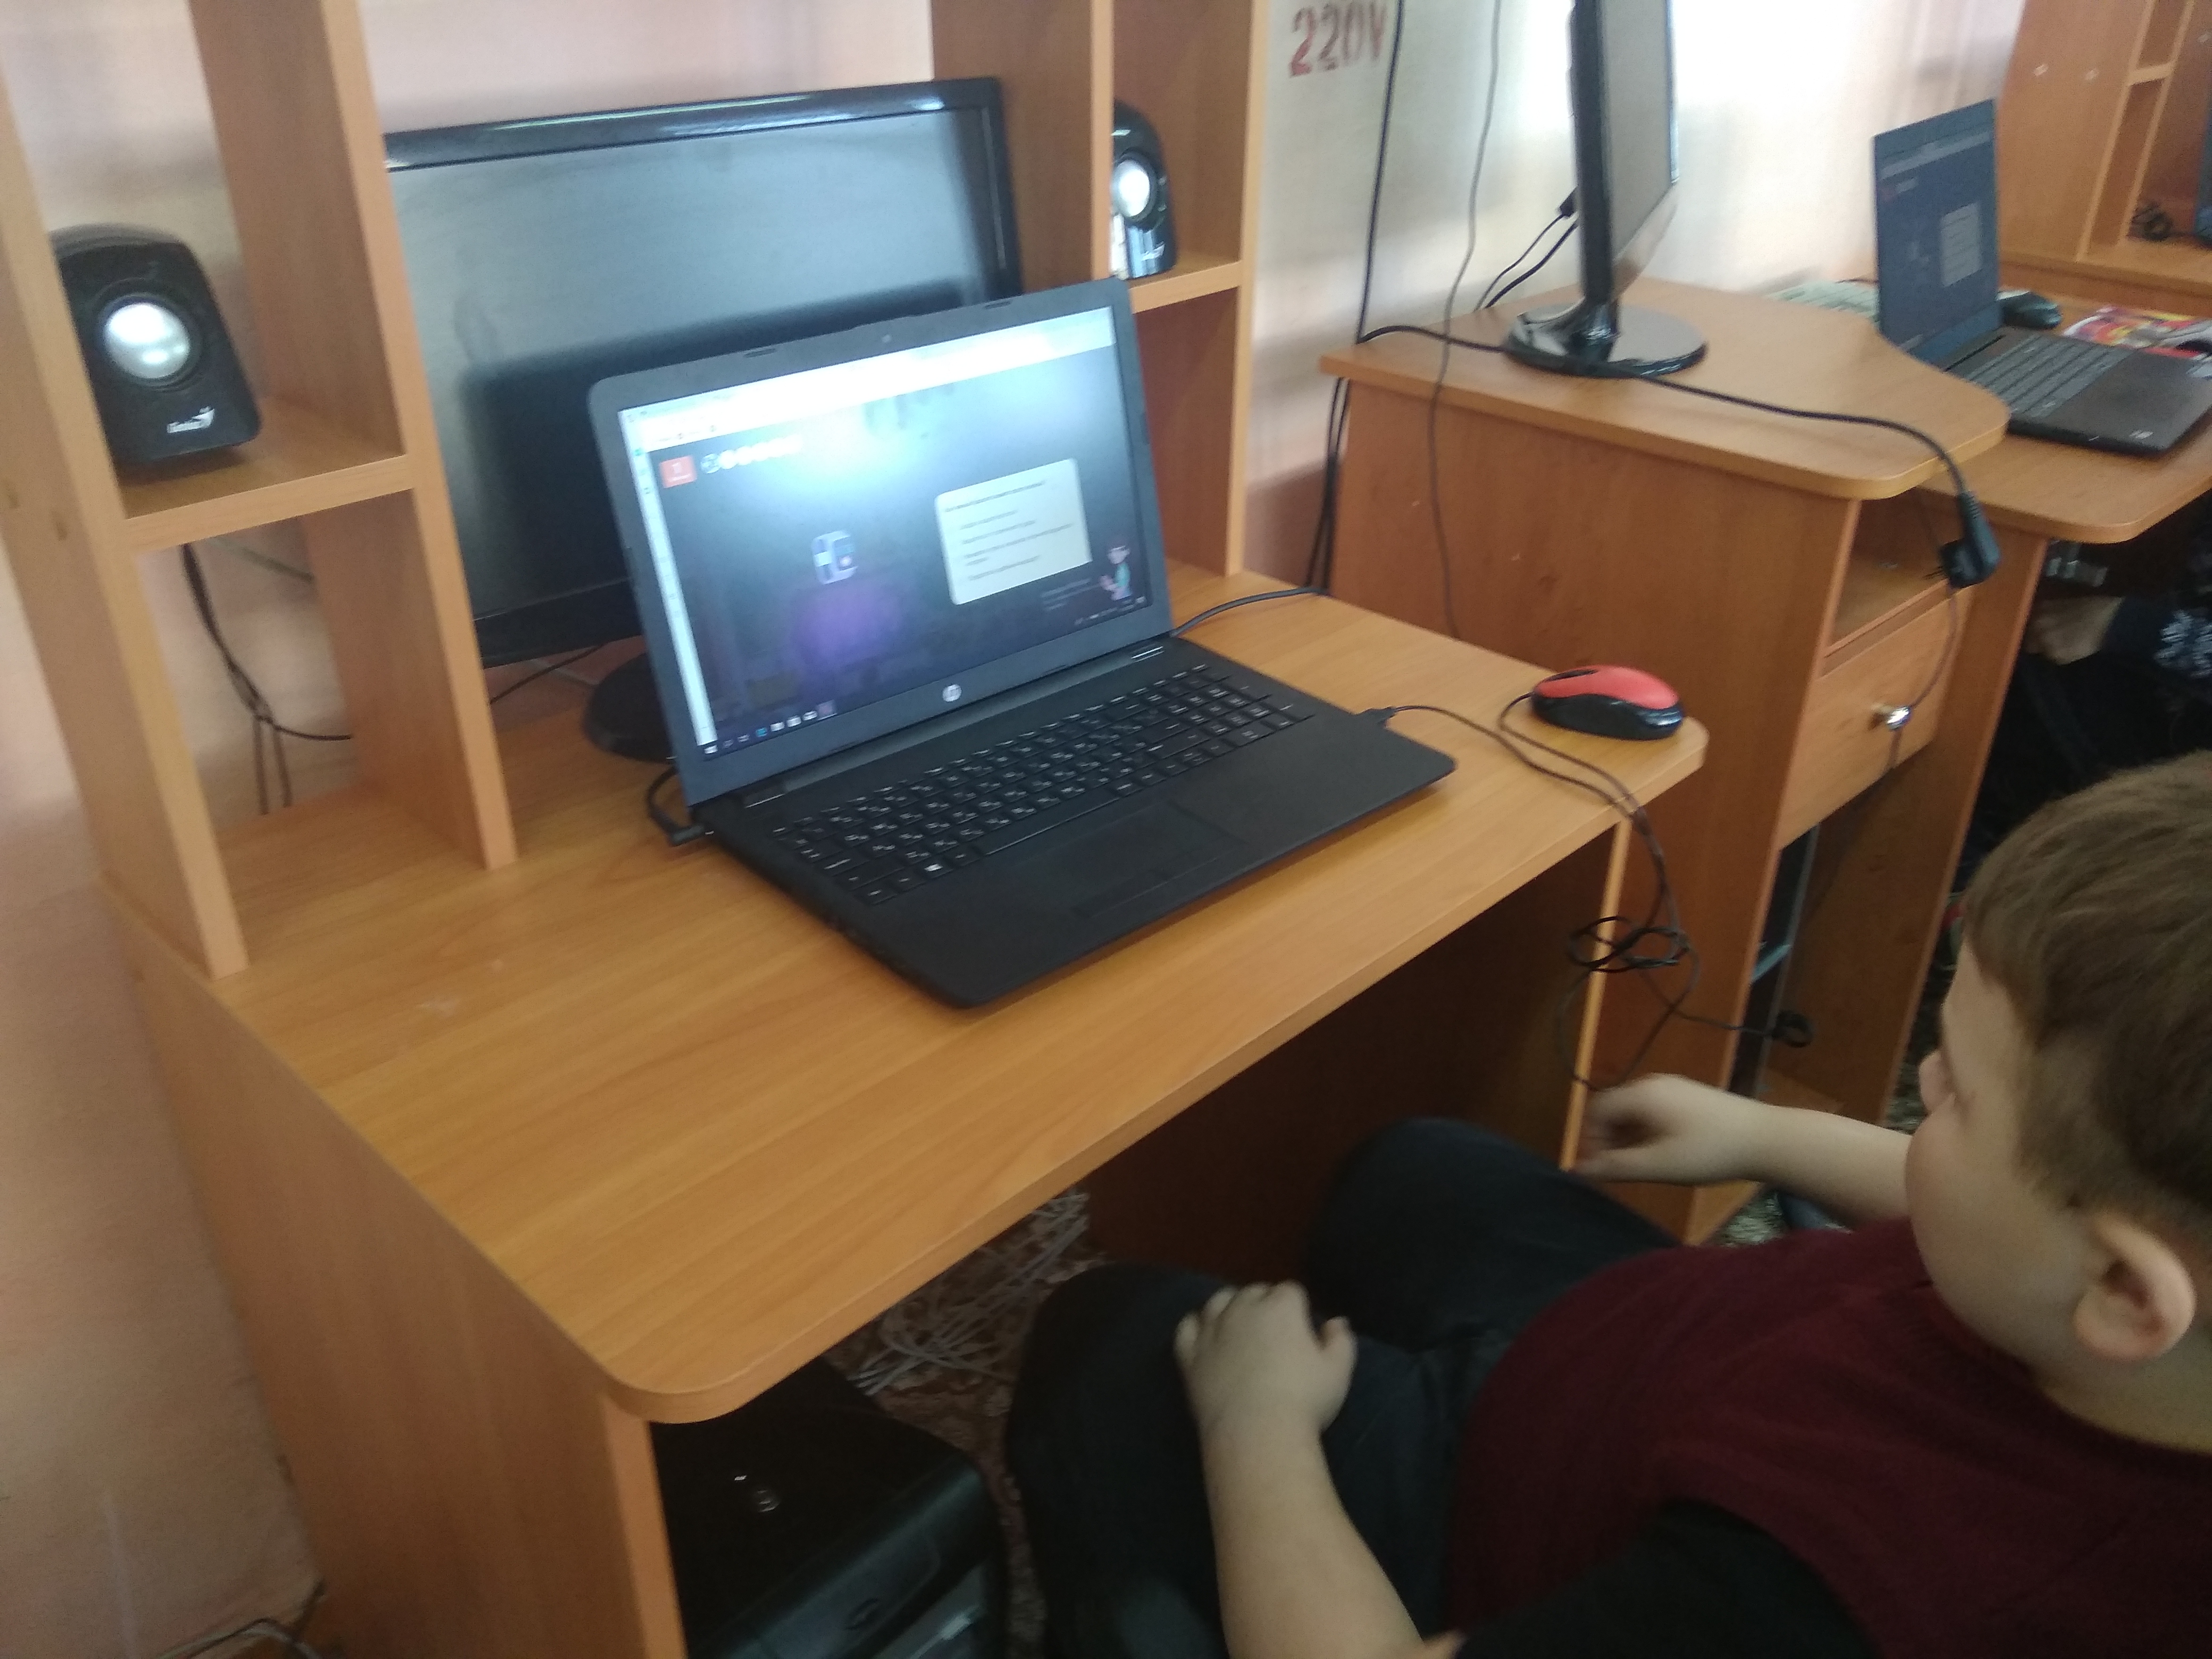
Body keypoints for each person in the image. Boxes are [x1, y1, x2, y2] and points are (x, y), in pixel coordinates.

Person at [1010, 757, 2212, 1659]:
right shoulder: (2092, 1314)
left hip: (1505, 1529)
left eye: (1953, 1098)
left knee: (1112, 1340)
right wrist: (1760, 1134)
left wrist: (1258, 1425)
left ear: (2124, 1291)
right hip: (1647, 1364)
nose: (1923, 1091)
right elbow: (1976, 1209)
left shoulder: (1849, 1589)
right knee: (1411, 1169)